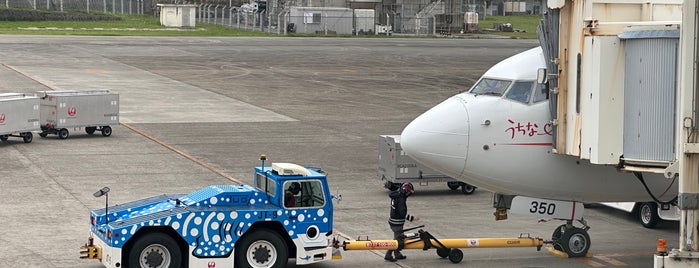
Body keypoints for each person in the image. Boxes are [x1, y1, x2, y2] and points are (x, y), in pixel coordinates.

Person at [385, 182, 419, 262]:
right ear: (406, 192)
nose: (409, 195)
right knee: (397, 240)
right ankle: (388, 255)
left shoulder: (396, 195)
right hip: (397, 223)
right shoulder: (401, 199)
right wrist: (412, 218)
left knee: (398, 238)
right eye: (409, 192)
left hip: (393, 221)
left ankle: (397, 254)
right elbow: (402, 213)